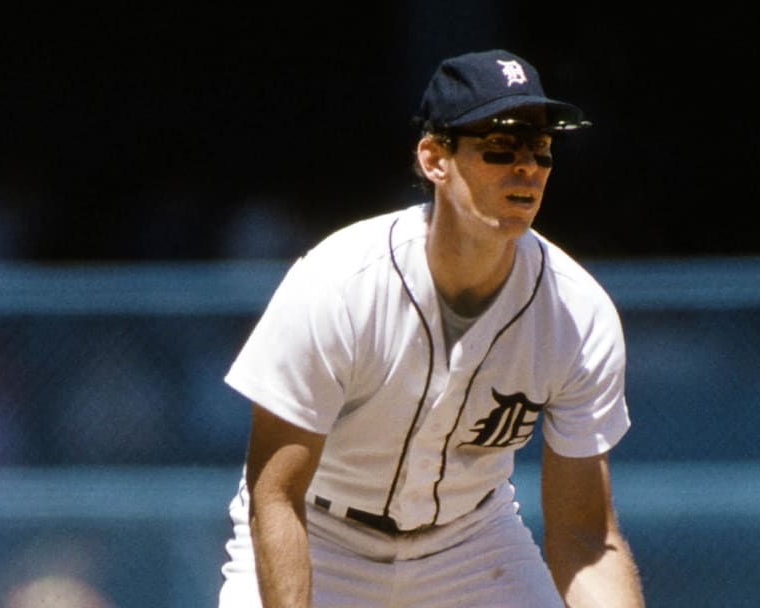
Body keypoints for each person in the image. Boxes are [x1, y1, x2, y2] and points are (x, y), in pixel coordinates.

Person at [218, 48, 646, 607]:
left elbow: (585, 536)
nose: (526, 167)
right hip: (320, 536)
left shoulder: (577, 314)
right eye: (500, 145)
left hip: (472, 546)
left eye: (540, 149)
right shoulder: (341, 284)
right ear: (434, 158)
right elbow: (275, 496)